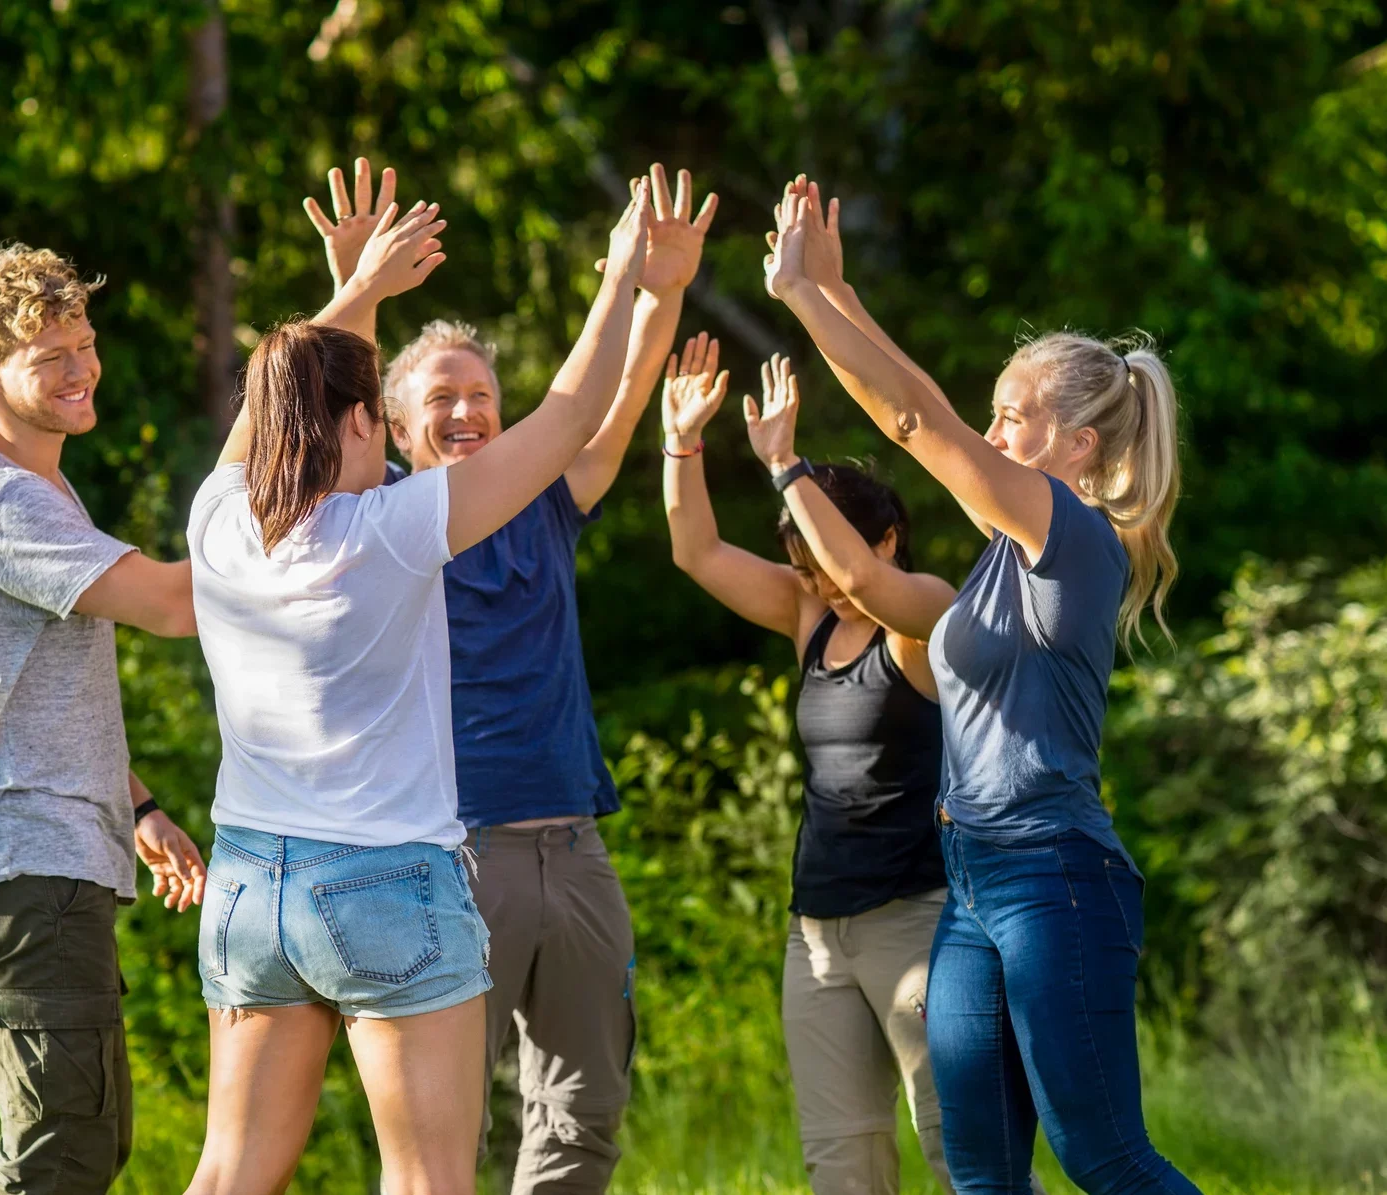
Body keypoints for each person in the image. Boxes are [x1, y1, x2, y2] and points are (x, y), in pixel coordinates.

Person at [182, 182, 650, 1195]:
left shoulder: (215, 519)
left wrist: (352, 289)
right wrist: (619, 273)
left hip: (246, 886)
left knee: (228, 1171)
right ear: (361, 424)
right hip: (380, 878)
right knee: (431, 1178)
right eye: (371, 419)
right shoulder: (387, 533)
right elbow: (569, 418)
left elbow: (278, 404)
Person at [763, 178, 1197, 1195]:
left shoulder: (1069, 537)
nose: (992, 437)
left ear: (1076, 447)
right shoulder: (992, 567)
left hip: (1052, 875)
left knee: (1102, 1156)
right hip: (966, 877)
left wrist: (803, 299)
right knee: (981, 1168)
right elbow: (918, 421)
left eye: (1015, 420)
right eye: (993, 417)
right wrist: (828, 288)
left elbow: (918, 419)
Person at [304, 156, 717, 1194]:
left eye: (479, 394)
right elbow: (318, 426)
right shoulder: (388, 522)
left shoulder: (543, 504)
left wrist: (656, 289)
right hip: (453, 854)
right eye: (438, 399)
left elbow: (609, 406)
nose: (464, 412)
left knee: (583, 1115)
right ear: (394, 430)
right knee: (442, 1138)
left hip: (574, 848)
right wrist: (353, 292)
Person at [0, 243, 211, 1195]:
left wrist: (137, 806)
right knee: (63, 1149)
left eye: (83, 342)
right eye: (52, 357)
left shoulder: (46, 488)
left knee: (91, 1141)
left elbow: (22, 697)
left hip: (55, 859)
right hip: (23, 866)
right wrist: (290, 497)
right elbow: (173, 604)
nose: (81, 368)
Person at [660, 338, 963, 1193]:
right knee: (842, 1163)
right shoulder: (811, 617)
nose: (818, 582)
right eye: (803, 567)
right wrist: (681, 445)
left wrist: (787, 461)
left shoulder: (926, 615)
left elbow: (861, 574)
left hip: (921, 922)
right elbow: (698, 551)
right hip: (819, 934)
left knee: (963, 1150)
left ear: (889, 536)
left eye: (820, 563)